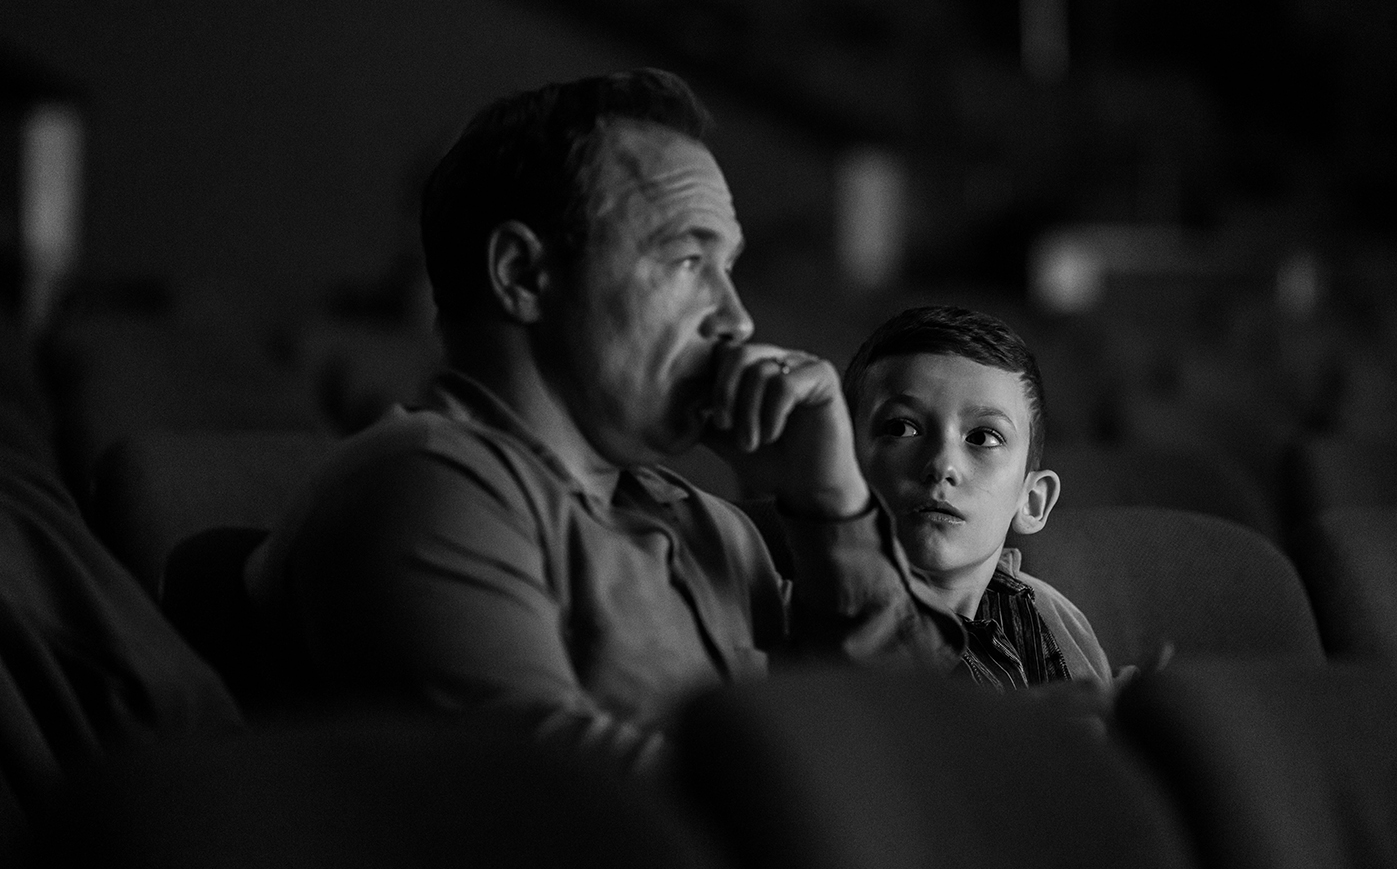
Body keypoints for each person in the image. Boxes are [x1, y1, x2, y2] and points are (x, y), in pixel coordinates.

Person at [245, 69, 964, 775]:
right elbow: (583, 807)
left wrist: (832, 508)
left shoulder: (710, 526)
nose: (737, 318)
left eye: (729, 266)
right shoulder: (419, 491)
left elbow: (922, 737)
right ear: (523, 275)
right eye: (687, 259)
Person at [842, 305, 1112, 690]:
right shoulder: (815, 621)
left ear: (1032, 500)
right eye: (902, 428)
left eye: (984, 437)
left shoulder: (1056, 619)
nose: (942, 465)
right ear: (845, 464)